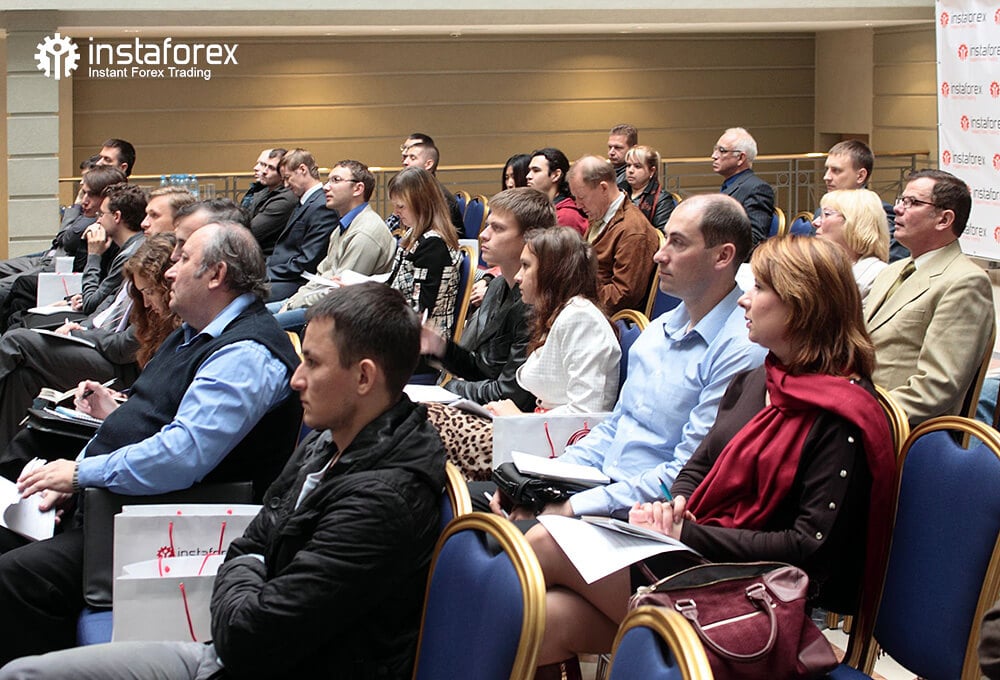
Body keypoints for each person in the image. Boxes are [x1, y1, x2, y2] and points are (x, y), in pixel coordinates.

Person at [0, 283, 447, 680]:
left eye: (312, 363)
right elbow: (249, 542)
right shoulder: (331, 440)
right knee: (21, 672)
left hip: (253, 662)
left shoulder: (381, 502)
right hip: (229, 646)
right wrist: (252, 564)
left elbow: (249, 634)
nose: (296, 379)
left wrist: (248, 565)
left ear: (364, 377)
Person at [526, 236, 896, 679]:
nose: (744, 299)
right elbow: (700, 464)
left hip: (754, 591)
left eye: (760, 289)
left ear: (802, 305)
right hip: (700, 552)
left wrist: (687, 531)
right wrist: (675, 505)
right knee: (544, 623)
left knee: (544, 543)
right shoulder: (759, 379)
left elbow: (807, 548)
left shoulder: (841, 416)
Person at [0, 223, 302, 664]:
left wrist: (80, 475)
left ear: (216, 274)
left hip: (166, 528)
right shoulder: (195, 332)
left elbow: (183, 455)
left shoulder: (246, 354)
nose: (169, 271)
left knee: (13, 577)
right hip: (117, 504)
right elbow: (152, 417)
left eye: (182, 260)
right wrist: (78, 471)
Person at [483, 194, 766, 518]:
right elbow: (612, 429)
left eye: (677, 243)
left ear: (722, 256)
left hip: (644, 513)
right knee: (478, 504)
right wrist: (538, 483)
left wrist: (570, 507)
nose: (659, 255)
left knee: (494, 531)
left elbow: (686, 473)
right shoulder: (658, 331)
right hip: (600, 485)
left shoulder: (740, 349)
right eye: (665, 239)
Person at [0, 235, 178, 465]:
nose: (145, 302)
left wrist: (81, 333)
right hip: (100, 337)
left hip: (123, 367)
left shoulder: (173, 308)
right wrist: (82, 327)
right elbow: (98, 309)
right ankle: (7, 463)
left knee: (17, 340)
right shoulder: (136, 278)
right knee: (23, 376)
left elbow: (121, 346)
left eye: (149, 292)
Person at [865, 169, 995, 427]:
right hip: (857, 407)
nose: (897, 209)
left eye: (912, 202)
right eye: (901, 200)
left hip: (898, 428)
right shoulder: (891, 271)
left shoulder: (965, 282)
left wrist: (858, 413)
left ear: (944, 219)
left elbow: (935, 387)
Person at [488, 227, 620, 416]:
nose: (518, 276)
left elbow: (583, 413)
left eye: (526, 266)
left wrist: (517, 419)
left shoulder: (581, 319)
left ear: (552, 272)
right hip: (543, 427)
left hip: (562, 434)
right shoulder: (560, 313)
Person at [272, 160, 396, 331]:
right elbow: (321, 275)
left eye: (336, 180)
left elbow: (339, 294)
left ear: (358, 189)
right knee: (252, 317)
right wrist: (293, 301)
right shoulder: (343, 226)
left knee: (260, 327)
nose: (325, 187)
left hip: (342, 315)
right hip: (317, 303)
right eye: (328, 180)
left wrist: (293, 304)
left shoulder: (365, 232)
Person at [567, 155, 660, 314]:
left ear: (603, 188)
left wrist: (575, 298)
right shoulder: (600, 214)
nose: (578, 205)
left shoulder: (633, 231)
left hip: (605, 316)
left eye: (581, 197)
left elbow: (623, 296)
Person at [386, 167, 461, 338]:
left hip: (422, 339)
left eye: (401, 206)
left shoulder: (433, 245)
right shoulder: (414, 233)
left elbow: (420, 309)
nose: (395, 212)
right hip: (403, 325)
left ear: (422, 205)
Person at [267, 148, 340, 301]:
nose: (285, 185)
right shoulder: (306, 202)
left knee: (246, 296)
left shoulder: (322, 206)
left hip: (297, 281)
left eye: (287, 178)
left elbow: (307, 262)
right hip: (284, 275)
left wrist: (267, 273)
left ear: (302, 169)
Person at [822, 139, 907, 261]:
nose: (826, 177)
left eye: (836, 170)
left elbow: (890, 262)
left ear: (860, 176)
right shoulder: (822, 210)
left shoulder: (880, 213)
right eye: (827, 169)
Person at [813, 189, 889, 302]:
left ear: (855, 223)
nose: (815, 222)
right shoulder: (821, 268)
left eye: (827, 214)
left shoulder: (878, 276)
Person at [712, 127, 775, 250]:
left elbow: (754, 239)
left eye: (722, 151)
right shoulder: (731, 184)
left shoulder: (758, 189)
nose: (714, 156)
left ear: (740, 158)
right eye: (715, 149)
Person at [525, 147, 589, 235]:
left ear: (556, 175)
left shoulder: (566, 216)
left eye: (536, 170)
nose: (528, 176)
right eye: (529, 171)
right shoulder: (542, 210)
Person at [247, 148, 297, 256]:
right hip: (254, 251)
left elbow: (250, 232)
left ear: (283, 173)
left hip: (266, 257)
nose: (264, 171)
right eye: (264, 165)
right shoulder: (264, 191)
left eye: (271, 168)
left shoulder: (285, 199)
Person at [621, 144, 677, 231]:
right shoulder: (619, 189)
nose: (630, 170)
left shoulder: (662, 199)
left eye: (637, 166)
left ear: (652, 171)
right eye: (628, 165)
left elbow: (662, 234)